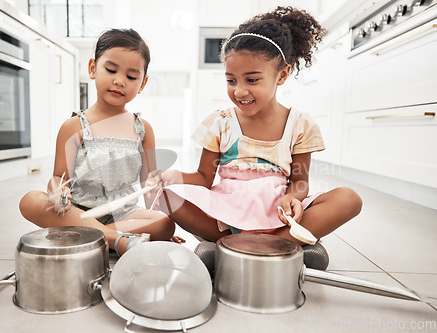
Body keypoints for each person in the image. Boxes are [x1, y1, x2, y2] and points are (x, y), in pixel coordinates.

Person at [148, 7, 362, 268]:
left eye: (251, 79)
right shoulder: (220, 122)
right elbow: (204, 178)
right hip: (229, 212)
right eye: (231, 80)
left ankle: (249, 248)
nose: (239, 91)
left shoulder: (300, 124)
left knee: (348, 198)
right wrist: (173, 177)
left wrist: (292, 197)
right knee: (169, 195)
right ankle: (283, 248)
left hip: (277, 211)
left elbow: (300, 182)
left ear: (281, 75)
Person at [19, 28, 176, 256]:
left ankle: (84, 236)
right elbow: (58, 177)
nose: (119, 81)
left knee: (165, 223)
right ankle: (116, 240)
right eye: (111, 70)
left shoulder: (143, 129)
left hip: (123, 215)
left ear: (142, 83)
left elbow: (148, 185)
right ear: (93, 68)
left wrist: (159, 205)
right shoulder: (73, 126)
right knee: (30, 201)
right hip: (77, 210)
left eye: (131, 77)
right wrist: (57, 191)